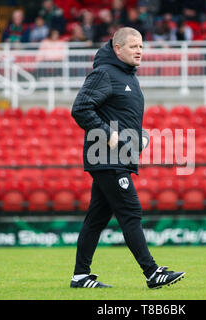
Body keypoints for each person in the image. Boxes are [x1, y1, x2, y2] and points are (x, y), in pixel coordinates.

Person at [70, 27, 185, 289]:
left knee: (96, 219)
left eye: (142, 46)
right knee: (130, 212)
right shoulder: (105, 73)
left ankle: (80, 276)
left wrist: (139, 136)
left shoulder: (128, 76)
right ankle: (152, 273)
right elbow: (80, 108)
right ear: (117, 48)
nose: (139, 51)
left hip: (116, 157)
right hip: (108, 158)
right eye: (134, 46)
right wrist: (107, 133)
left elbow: (120, 117)